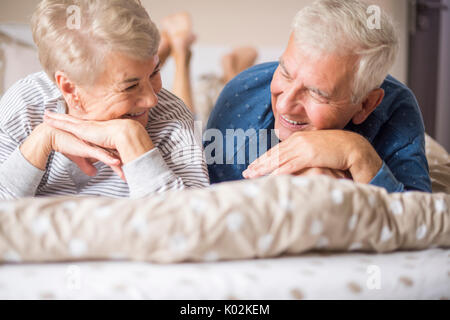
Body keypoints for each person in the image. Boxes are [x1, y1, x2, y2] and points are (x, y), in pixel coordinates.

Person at [204, 0, 431, 193]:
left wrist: (356, 151)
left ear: (366, 105)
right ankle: (232, 69)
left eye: (317, 93)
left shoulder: (397, 109)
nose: (284, 104)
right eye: (285, 72)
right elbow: (209, 196)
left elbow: (420, 217)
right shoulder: (241, 93)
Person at [0, 0, 209, 200]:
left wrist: (131, 137)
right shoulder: (25, 106)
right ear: (69, 88)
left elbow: (192, 225)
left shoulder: (171, 116)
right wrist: (41, 140)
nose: (152, 100)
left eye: (155, 72)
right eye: (130, 86)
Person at [157, 12, 258, 126]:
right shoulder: (220, 84)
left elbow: (250, 53)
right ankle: (178, 52)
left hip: (201, 112)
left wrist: (230, 71)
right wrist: (230, 70)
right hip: (201, 99)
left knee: (185, 127)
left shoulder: (229, 91)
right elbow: (249, 53)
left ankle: (179, 52)